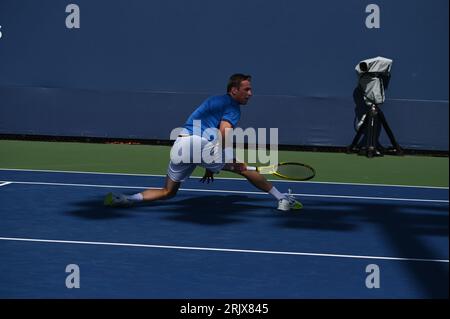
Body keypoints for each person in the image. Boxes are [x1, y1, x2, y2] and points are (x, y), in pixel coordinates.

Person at [104, 74, 302, 211]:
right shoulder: (232, 107)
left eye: (251, 90)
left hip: (181, 146)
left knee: (168, 191)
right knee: (245, 169)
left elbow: (207, 137)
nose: (250, 93)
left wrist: (211, 164)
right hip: (200, 145)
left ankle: (126, 199)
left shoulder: (214, 100)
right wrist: (222, 156)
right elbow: (224, 132)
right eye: (246, 89)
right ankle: (282, 199)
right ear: (234, 90)